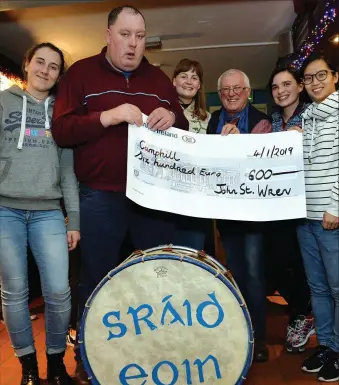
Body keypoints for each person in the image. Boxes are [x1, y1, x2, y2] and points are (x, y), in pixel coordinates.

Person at [51, 5, 188, 383]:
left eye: (140, 36)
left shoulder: (159, 78)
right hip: (100, 196)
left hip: (153, 198)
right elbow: (61, 130)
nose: (132, 43)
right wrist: (105, 117)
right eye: (125, 35)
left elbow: (185, 122)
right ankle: (91, 355)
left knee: (157, 276)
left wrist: (172, 116)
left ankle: (156, 351)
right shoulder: (79, 74)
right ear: (109, 34)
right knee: (96, 277)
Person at [0, 42, 80, 385]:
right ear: (27, 64)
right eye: (40, 62)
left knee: (59, 291)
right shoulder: (3, 102)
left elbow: (68, 171)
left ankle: (56, 362)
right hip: (5, 210)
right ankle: (28, 368)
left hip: (48, 211)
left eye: (54, 66)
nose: (46, 70)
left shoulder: (62, 111)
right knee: (14, 291)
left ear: (59, 74)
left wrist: (73, 220)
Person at [207, 69, 272, 362]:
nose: (231, 94)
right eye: (225, 91)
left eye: (237, 89)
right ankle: (239, 331)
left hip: (255, 215)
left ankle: (258, 337)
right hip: (226, 214)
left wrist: (240, 138)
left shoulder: (263, 121)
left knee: (256, 274)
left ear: (248, 91)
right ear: (219, 95)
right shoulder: (212, 122)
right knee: (234, 272)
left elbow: (264, 160)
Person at [296, 53, 338, 383]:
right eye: (309, 79)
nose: (315, 83)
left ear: (334, 76)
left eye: (321, 75)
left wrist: (336, 207)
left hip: (330, 217)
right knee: (319, 289)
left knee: (338, 288)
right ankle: (326, 345)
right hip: (305, 217)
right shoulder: (307, 117)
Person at [267, 66, 314, 353]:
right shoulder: (271, 121)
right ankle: (303, 309)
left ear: (299, 86)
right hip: (278, 208)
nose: (281, 90)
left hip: (309, 206)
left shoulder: (314, 116)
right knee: (276, 266)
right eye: (275, 87)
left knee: (307, 266)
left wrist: (303, 137)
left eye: (286, 84)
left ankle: (304, 316)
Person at [171, 58, 211, 250]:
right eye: (183, 76)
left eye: (194, 77)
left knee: (192, 254)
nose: (188, 81)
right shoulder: (161, 112)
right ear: (173, 81)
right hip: (165, 198)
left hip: (195, 199)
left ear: (199, 85)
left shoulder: (208, 118)